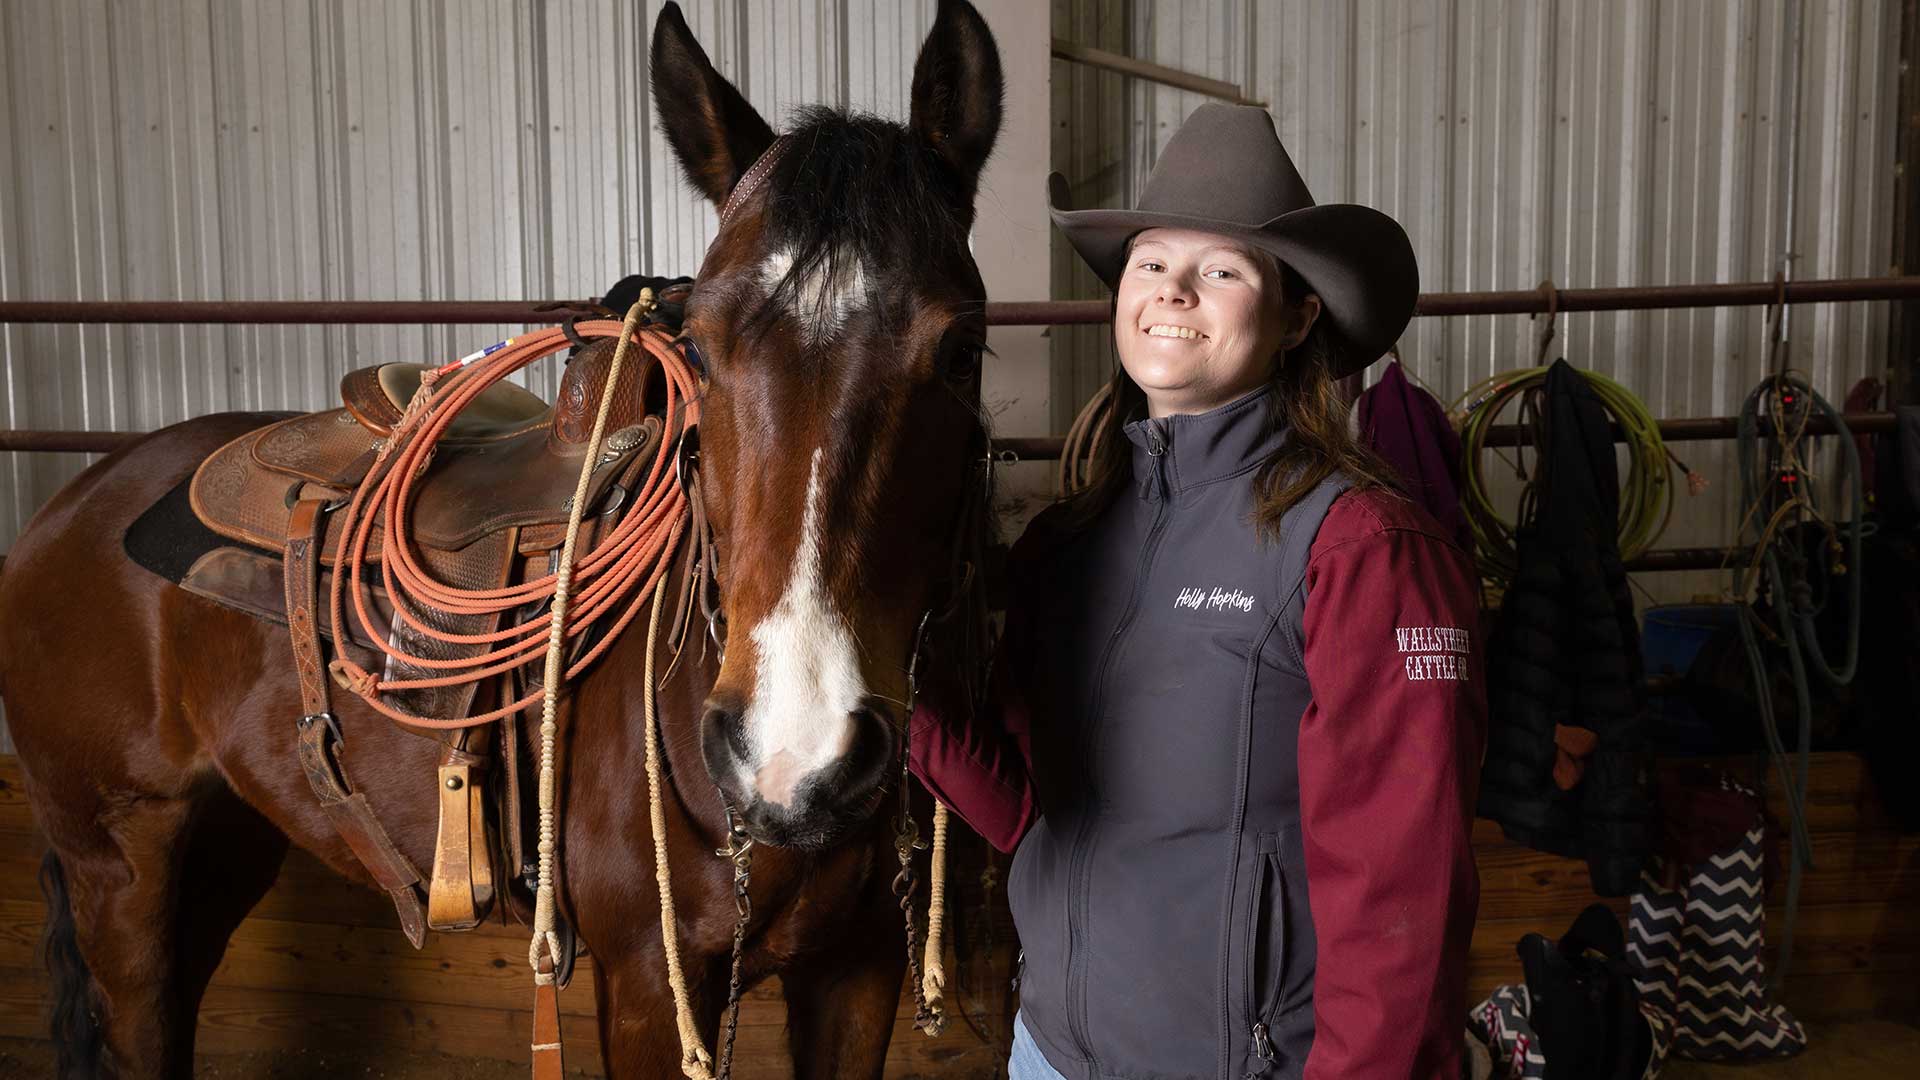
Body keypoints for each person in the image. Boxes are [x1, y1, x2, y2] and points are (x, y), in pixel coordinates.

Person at [909, 104, 1486, 1079]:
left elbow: (1403, 907)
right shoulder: (1067, 544)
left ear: (1298, 314)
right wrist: (893, 693)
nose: (1173, 290)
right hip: (1048, 1054)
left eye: (1220, 270)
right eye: (1150, 262)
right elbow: (1033, 817)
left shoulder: (1362, 554)